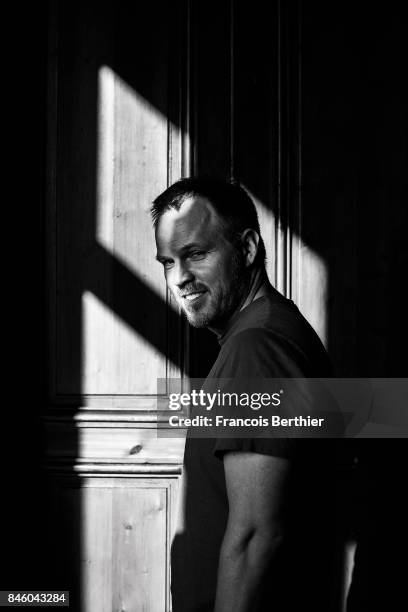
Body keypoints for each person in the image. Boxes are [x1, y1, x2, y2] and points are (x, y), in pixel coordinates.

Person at [152, 177, 340, 612]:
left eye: (196, 254)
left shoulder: (258, 347)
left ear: (249, 249)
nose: (179, 278)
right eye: (167, 261)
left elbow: (258, 535)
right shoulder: (264, 333)